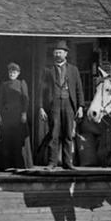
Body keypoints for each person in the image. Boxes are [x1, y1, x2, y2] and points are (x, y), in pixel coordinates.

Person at [38, 40, 85, 170]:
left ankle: (67, 162)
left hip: (69, 104)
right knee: (54, 133)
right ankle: (52, 162)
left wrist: (81, 106)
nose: (58, 54)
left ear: (66, 54)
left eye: (60, 52)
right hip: (54, 105)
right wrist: (41, 107)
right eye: (56, 52)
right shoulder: (48, 70)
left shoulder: (73, 70)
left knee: (68, 134)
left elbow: (79, 89)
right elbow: (41, 90)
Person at [0, 62, 30, 169]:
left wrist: (24, 113)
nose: (12, 74)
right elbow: (0, 101)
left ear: (18, 73)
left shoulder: (21, 83)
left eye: (14, 72)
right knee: (6, 140)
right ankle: (6, 165)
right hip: (6, 116)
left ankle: (18, 164)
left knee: (17, 140)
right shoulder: (4, 85)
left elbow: (26, 99)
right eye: (10, 72)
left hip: (18, 115)